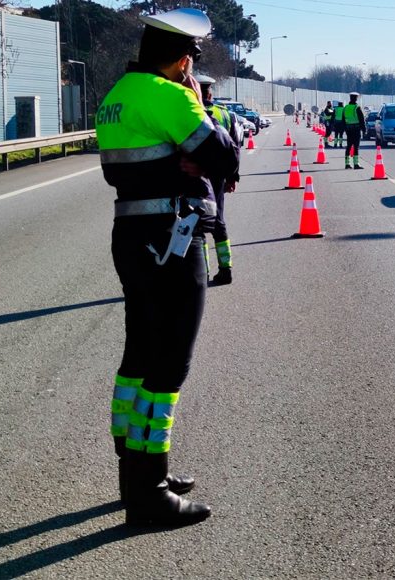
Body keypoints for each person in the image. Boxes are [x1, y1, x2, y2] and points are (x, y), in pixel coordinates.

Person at [95, 7, 238, 527]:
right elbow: (224, 156)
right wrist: (201, 111)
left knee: (138, 355)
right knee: (168, 364)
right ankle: (149, 492)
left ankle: (132, 471)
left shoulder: (116, 97)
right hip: (171, 240)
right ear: (182, 60)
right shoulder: (172, 96)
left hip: (130, 236)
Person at [195, 74, 239, 286]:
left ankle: (202, 272)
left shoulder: (189, 111)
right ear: (210, 92)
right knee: (218, 220)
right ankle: (226, 268)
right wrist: (232, 176)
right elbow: (234, 147)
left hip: (195, 174)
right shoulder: (225, 114)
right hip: (218, 175)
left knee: (198, 223)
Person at [343, 92, 366, 169]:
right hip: (356, 129)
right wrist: (364, 130)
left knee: (349, 146)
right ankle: (356, 164)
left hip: (348, 129)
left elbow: (343, 119)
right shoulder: (357, 107)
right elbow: (362, 120)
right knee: (356, 146)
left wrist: (345, 129)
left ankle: (347, 164)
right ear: (356, 99)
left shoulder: (345, 107)